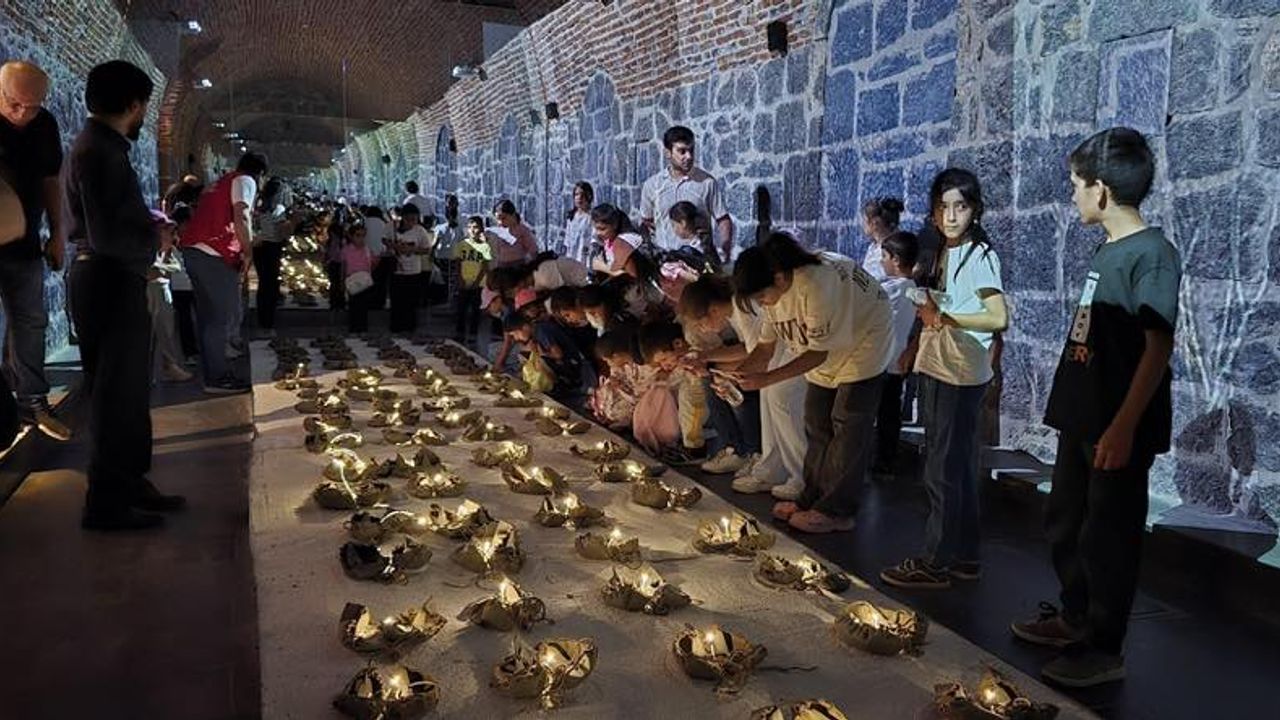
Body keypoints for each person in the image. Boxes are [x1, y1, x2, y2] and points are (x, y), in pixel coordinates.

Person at [1012, 128, 1180, 688]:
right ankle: (1076, 615)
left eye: (1077, 185)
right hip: (1083, 415)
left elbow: (1157, 346)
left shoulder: (1152, 255)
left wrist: (1125, 425)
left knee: (1108, 536)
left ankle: (1106, 647)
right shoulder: (1109, 249)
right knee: (1066, 521)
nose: (1073, 196)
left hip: (1116, 421)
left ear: (1102, 190)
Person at [64, 59, 185, 531]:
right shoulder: (99, 153)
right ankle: (107, 505)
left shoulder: (99, 147)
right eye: (143, 110)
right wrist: (155, 240)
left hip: (108, 279)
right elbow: (108, 235)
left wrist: (147, 227)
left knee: (131, 392)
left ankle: (131, 482)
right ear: (135, 105)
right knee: (116, 396)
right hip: (108, 281)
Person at [880, 168, 1009, 589]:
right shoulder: (947, 251)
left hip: (957, 371)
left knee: (941, 468)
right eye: (944, 207)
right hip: (942, 365)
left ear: (974, 209)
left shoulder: (978, 255)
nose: (951, 215)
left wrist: (944, 316)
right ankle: (964, 555)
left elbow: (997, 316)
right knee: (955, 467)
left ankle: (936, 561)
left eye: (960, 206)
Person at [731, 231, 892, 534]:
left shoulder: (816, 283)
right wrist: (735, 375)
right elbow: (765, 349)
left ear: (778, 278)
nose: (763, 304)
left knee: (847, 426)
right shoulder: (774, 295)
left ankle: (837, 511)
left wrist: (766, 379)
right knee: (816, 423)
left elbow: (816, 354)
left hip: (865, 340)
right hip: (829, 349)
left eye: (761, 296)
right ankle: (811, 499)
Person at [679, 275, 805, 497]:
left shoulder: (743, 307)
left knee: (781, 402)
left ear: (713, 309)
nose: (704, 329)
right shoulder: (736, 309)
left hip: (792, 350)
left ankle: (798, 475)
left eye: (701, 323)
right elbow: (751, 348)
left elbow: (756, 352)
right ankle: (773, 467)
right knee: (771, 402)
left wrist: (720, 370)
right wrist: (708, 360)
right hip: (778, 353)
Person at [0, 60, 71, 440]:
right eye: (14, 103)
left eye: (33, 106)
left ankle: (33, 404)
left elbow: (50, 180)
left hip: (24, 241)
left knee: (30, 321)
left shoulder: (43, 125)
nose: (23, 113)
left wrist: (57, 232)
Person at [180, 152, 267, 394]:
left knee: (209, 318)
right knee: (221, 317)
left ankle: (212, 374)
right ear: (259, 174)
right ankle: (218, 378)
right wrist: (248, 251)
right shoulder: (245, 181)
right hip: (213, 253)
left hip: (194, 250)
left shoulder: (220, 182)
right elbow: (242, 215)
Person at [640, 125, 733, 259]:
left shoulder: (707, 183)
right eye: (682, 151)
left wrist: (725, 250)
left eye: (691, 150)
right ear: (668, 153)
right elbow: (647, 222)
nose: (688, 156)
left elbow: (723, 219)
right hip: (665, 261)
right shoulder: (652, 185)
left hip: (698, 261)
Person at [873, 231, 920, 474]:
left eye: (884, 256)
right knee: (889, 414)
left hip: (883, 362)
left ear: (896, 260)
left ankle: (883, 461)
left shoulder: (895, 290)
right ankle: (885, 461)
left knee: (884, 415)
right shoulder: (912, 289)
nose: (881, 261)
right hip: (895, 363)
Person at [148, 211, 193, 383]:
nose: (170, 233)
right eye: (165, 229)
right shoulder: (149, 249)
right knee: (151, 332)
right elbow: (150, 270)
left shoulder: (168, 249)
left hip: (164, 290)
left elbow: (174, 266)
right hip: (151, 291)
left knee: (167, 330)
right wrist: (160, 267)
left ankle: (169, 364)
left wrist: (162, 265)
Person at [251, 176, 295, 336]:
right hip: (271, 247)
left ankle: (263, 320)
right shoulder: (278, 208)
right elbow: (283, 230)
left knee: (264, 284)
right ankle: (267, 323)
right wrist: (293, 222)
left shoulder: (258, 205)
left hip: (259, 247)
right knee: (270, 285)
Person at [389, 204, 433, 334]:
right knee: (397, 301)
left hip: (414, 271)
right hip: (397, 270)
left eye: (414, 219)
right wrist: (395, 247)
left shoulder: (419, 230)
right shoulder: (392, 228)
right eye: (409, 219)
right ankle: (396, 327)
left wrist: (413, 249)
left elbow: (427, 249)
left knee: (411, 302)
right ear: (403, 218)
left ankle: (410, 327)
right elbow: (384, 242)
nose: (412, 222)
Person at [454, 215, 491, 344]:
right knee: (461, 310)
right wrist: (460, 278)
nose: (472, 230)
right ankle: (459, 333)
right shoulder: (462, 245)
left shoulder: (485, 247)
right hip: (464, 281)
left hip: (478, 283)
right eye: (470, 227)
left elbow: (485, 266)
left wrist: (477, 282)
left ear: (481, 228)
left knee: (475, 310)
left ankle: (473, 334)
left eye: (475, 227)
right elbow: (458, 263)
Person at [860, 197, 905, 281]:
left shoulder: (896, 248)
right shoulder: (873, 247)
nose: (863, 224)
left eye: (865, 220)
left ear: (874, 223)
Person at [588, 203, 639, 276]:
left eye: (602, 229)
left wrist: (602, 266)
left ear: (614, 225)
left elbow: (632, 277)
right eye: (596, 228)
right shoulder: (607, 240)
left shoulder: (623, 244)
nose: (598, 233)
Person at [342, 224, 375, 334]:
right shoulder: (346, 250)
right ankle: (354, 329)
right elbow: (343, 266)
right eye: (358, 235)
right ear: (351, 236)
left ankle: (363, 329)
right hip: (353, 281)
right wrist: (342, 283)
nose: (360, 238)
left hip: (365, 282)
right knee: (354, 307)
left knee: (364, 307)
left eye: (363, 236)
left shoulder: (367, 249)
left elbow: (371, 264)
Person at [486, 199, 538, 268]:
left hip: (518, 269)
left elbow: (533, 251)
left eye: (504, 218)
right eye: (498, 219)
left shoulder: (522, 230)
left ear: (512, 215)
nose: (500, 222)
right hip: (501, 268)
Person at [360, 205, 392, 309]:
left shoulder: (363, 222)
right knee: (381, 282)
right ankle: (379, 302)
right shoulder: (384, 224)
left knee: (367, 281)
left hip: (366, 256)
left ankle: (367, 302)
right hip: (382, 257)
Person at [563, 181, 595, 263]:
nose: (579, 198)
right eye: (576, 194)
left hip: (584, 258)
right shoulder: (572, 217)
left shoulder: (591, 217)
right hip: (572, 257)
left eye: (582, 195)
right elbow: (568, 240)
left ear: (589, 196)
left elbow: (593, 239)